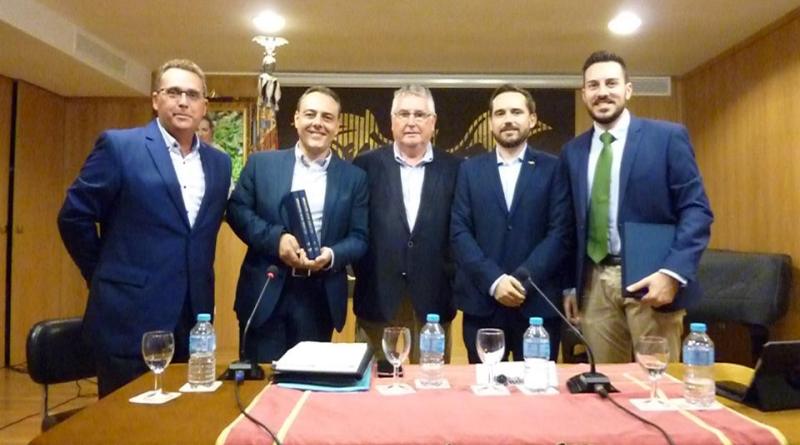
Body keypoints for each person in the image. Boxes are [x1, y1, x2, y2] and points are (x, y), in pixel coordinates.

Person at [57, 59, 232, 397]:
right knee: (125, 418)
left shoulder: (219, 163)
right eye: (174, 92)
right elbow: (73, 216)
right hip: (128, 317)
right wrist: (102, 273)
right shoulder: (120, 147)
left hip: (192, 321)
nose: (183, 102)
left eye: (193, 95)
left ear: (204, 106)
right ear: (156, 99)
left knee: (183, 417)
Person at [560, 50, 713, 363]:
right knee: (604, 383)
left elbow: (697, 210)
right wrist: (568, 286)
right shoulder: (572, 152)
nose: (602, 92)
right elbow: (569, 224)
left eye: (611, 83)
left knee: (656, 381)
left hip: (652, 280)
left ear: (628, 89)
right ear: (584, 94)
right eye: (593, 85)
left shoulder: (667, 138)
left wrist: (672, 273)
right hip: (594, 285)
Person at [227, 86, 368, 362]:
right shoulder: (261, 164)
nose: (318, 123)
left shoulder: (354, 178)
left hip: (319, 297)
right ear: (296, 118)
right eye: (310, 114)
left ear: (338, 126)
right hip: (266, 289)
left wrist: (331, 255)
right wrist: (276, 240)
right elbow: (237, 211)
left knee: (309, 379)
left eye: (327, 117)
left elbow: (360, 237)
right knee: (262, 382)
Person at [451, 84, 571, 363]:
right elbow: (459, 232)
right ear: (490, 121)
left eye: (516, 112)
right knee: (484, 387)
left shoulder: (554, 168)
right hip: (483, 303)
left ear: (532, 119)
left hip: (538, 304)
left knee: (538, 389)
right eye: (500, 113)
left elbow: (560, 233)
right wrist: (495, 281)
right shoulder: (469, 170)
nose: (508, 119)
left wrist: (520, 281)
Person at [352, 85, 461, 364]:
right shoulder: (364, 166)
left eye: (419, 114)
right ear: (392, 122)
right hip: (376, 294)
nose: (411, 122)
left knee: (431, 380)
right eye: (403, 114)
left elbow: (461, 232)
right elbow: (355, 227)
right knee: (371, 380)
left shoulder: (456, 169)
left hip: (434, 296)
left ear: (433, 122)